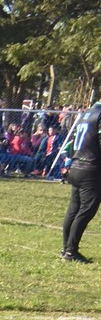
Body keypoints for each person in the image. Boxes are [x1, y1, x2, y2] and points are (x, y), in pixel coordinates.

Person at [60, 100, 100, 263]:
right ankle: (71, 251)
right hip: (91, 167)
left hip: (77, 165)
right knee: (86, 210)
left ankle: (66, 248)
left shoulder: (88, 113)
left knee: (74, 209)